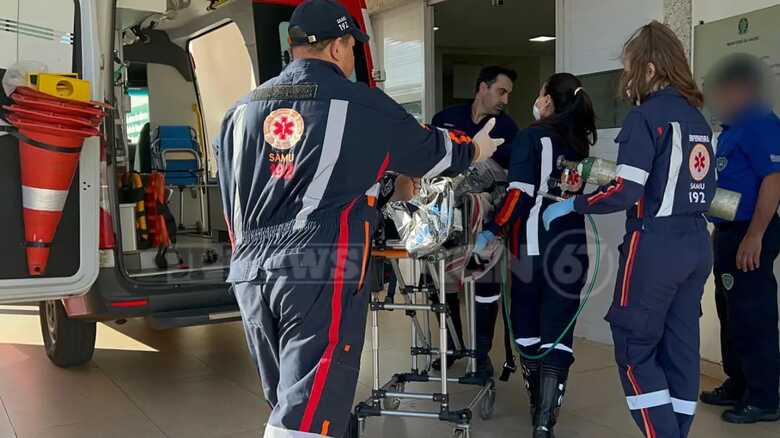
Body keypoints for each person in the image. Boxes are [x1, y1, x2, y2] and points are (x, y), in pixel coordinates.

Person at [213, 1, 505, 437]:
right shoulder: (360, 104)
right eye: (353, 47)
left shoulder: (237, 113)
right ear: (339, 47)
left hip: (250, 273)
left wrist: (382, 189)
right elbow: (434, 152)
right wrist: (478, 148)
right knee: (304, 414)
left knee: (290, 397)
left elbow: (260, 191)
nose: (353, 58)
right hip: (318, 271)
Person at [544, 21, 714, 438]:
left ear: (651, 69)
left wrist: (574, 203)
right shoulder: (697, 120)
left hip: (655, 246)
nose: (626, 77)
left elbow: (626, 190)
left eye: (630, 67)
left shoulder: (646, 117)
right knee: (680, 350)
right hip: (696, 245)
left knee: (634, 347)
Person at [474, 73, 597, 437]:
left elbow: (518, 195)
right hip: (571, 249)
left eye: (541, 93)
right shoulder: (578, 141)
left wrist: (492, 230)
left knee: (527, 328)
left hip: (531, 249)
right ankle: (544, 420)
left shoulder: (532, 137)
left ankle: (537, 404)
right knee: (558, 333)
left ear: (548, 101)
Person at [699, 53, 780, 424]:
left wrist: (755, 235)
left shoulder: (762, 123)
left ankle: (764, 397)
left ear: (742, 88)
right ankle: (739, 383)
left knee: (753, 314)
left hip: (752, 232)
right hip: (730, 231)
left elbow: (773, 180)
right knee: (730, 309)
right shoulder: (732, 127)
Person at [430, 66, 519, 375]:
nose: (505, 99)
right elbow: (432, 159)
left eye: (508, 94)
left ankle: (481, 355)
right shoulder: (446, 119)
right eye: (501, 91)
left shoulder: (508, 128)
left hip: (487, 222)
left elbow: (514, 175)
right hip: (447, 217)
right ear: (483, 88)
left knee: (486, 285)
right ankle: (453, 345)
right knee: (441, 283)